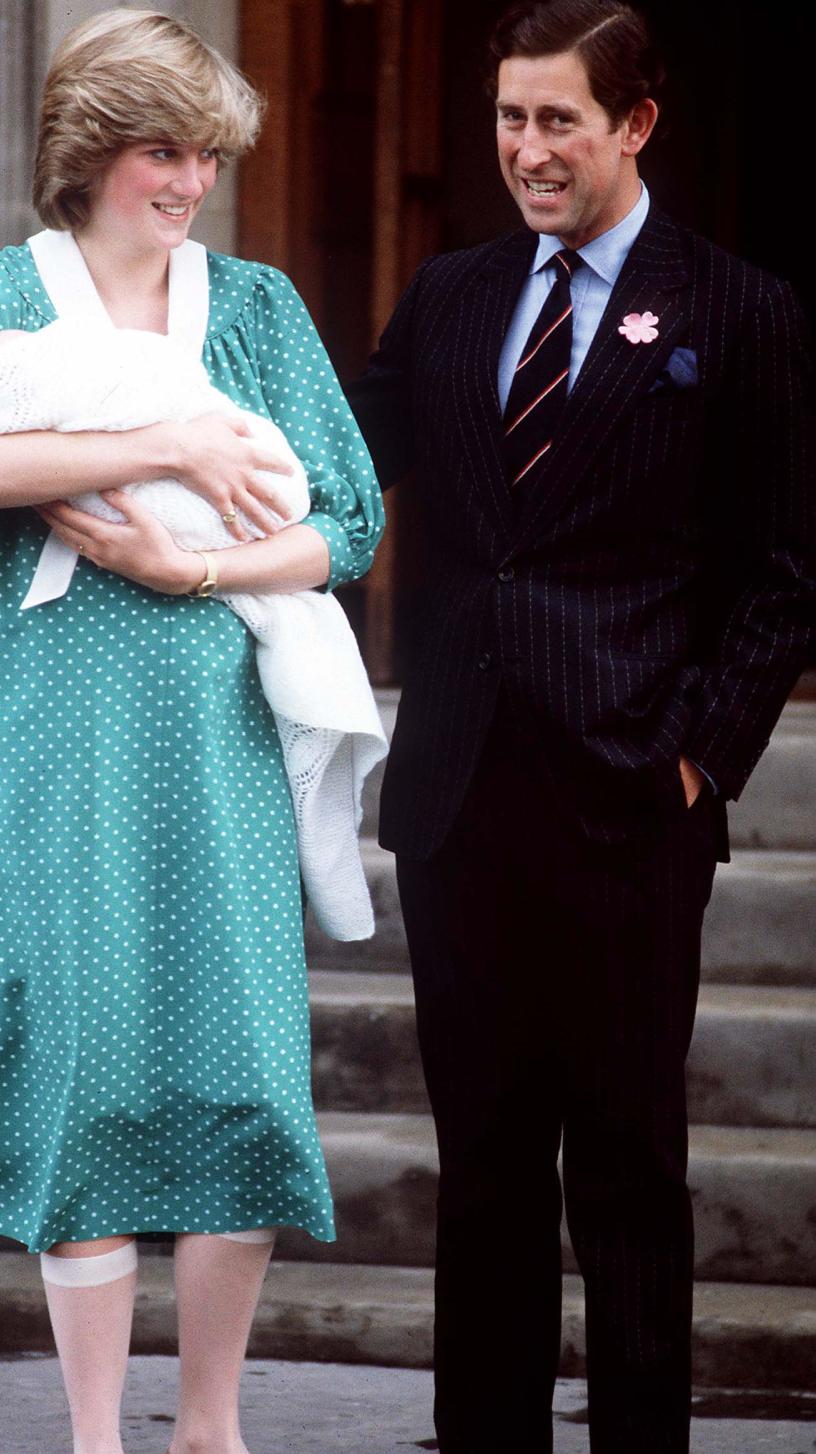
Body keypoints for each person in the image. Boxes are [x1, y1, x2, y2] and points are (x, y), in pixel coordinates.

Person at [0, 11, 383, 1454]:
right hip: (46, 730)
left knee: (239, 1062)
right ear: (92, 151)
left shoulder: (258, 310)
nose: (191, 180)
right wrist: (168, 443)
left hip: (218, 735)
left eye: (208, 152)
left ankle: (207, 1424)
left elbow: (347, 524)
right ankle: (97, 1431)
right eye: (166, 148)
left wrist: (192, 566)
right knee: (84, 1067)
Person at [347, 1, 815, 1450]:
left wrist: (696, 753)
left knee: (625, 1171)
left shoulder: (740, 310)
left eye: (558, 120)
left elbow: (787, 571)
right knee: (483, 1167)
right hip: (461, 799)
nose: (527, 150)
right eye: (508, 118)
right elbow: (341, 473)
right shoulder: (450, 296)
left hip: (629, 802)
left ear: (637, 124)